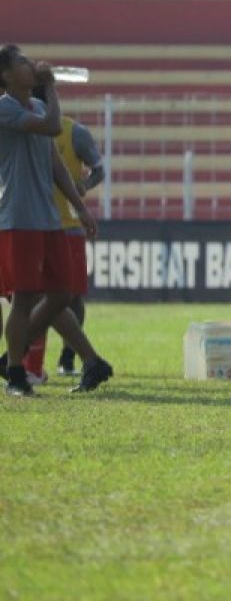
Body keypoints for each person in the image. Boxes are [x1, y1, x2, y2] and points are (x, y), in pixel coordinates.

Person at [0, 45, 112, 397]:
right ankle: (17, 373)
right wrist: (50, 87)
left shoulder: (36, 107)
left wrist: (80, 206)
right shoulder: (6, 108)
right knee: (25, 297)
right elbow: (51, 128)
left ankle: (11, 358)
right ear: (5, 75)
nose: (30, 65)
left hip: (47, 217)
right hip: (18, 215)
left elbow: (56, 165)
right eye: (21, 62)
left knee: (62, 293)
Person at [20, 82, 105, 382]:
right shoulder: (18, 128)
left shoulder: (73, 133)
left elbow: (98, 169)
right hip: (33, 222)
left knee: (69, 297)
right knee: (37, 296)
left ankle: (66, 356)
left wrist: (83, 191)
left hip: (66, 227)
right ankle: (28, 364)